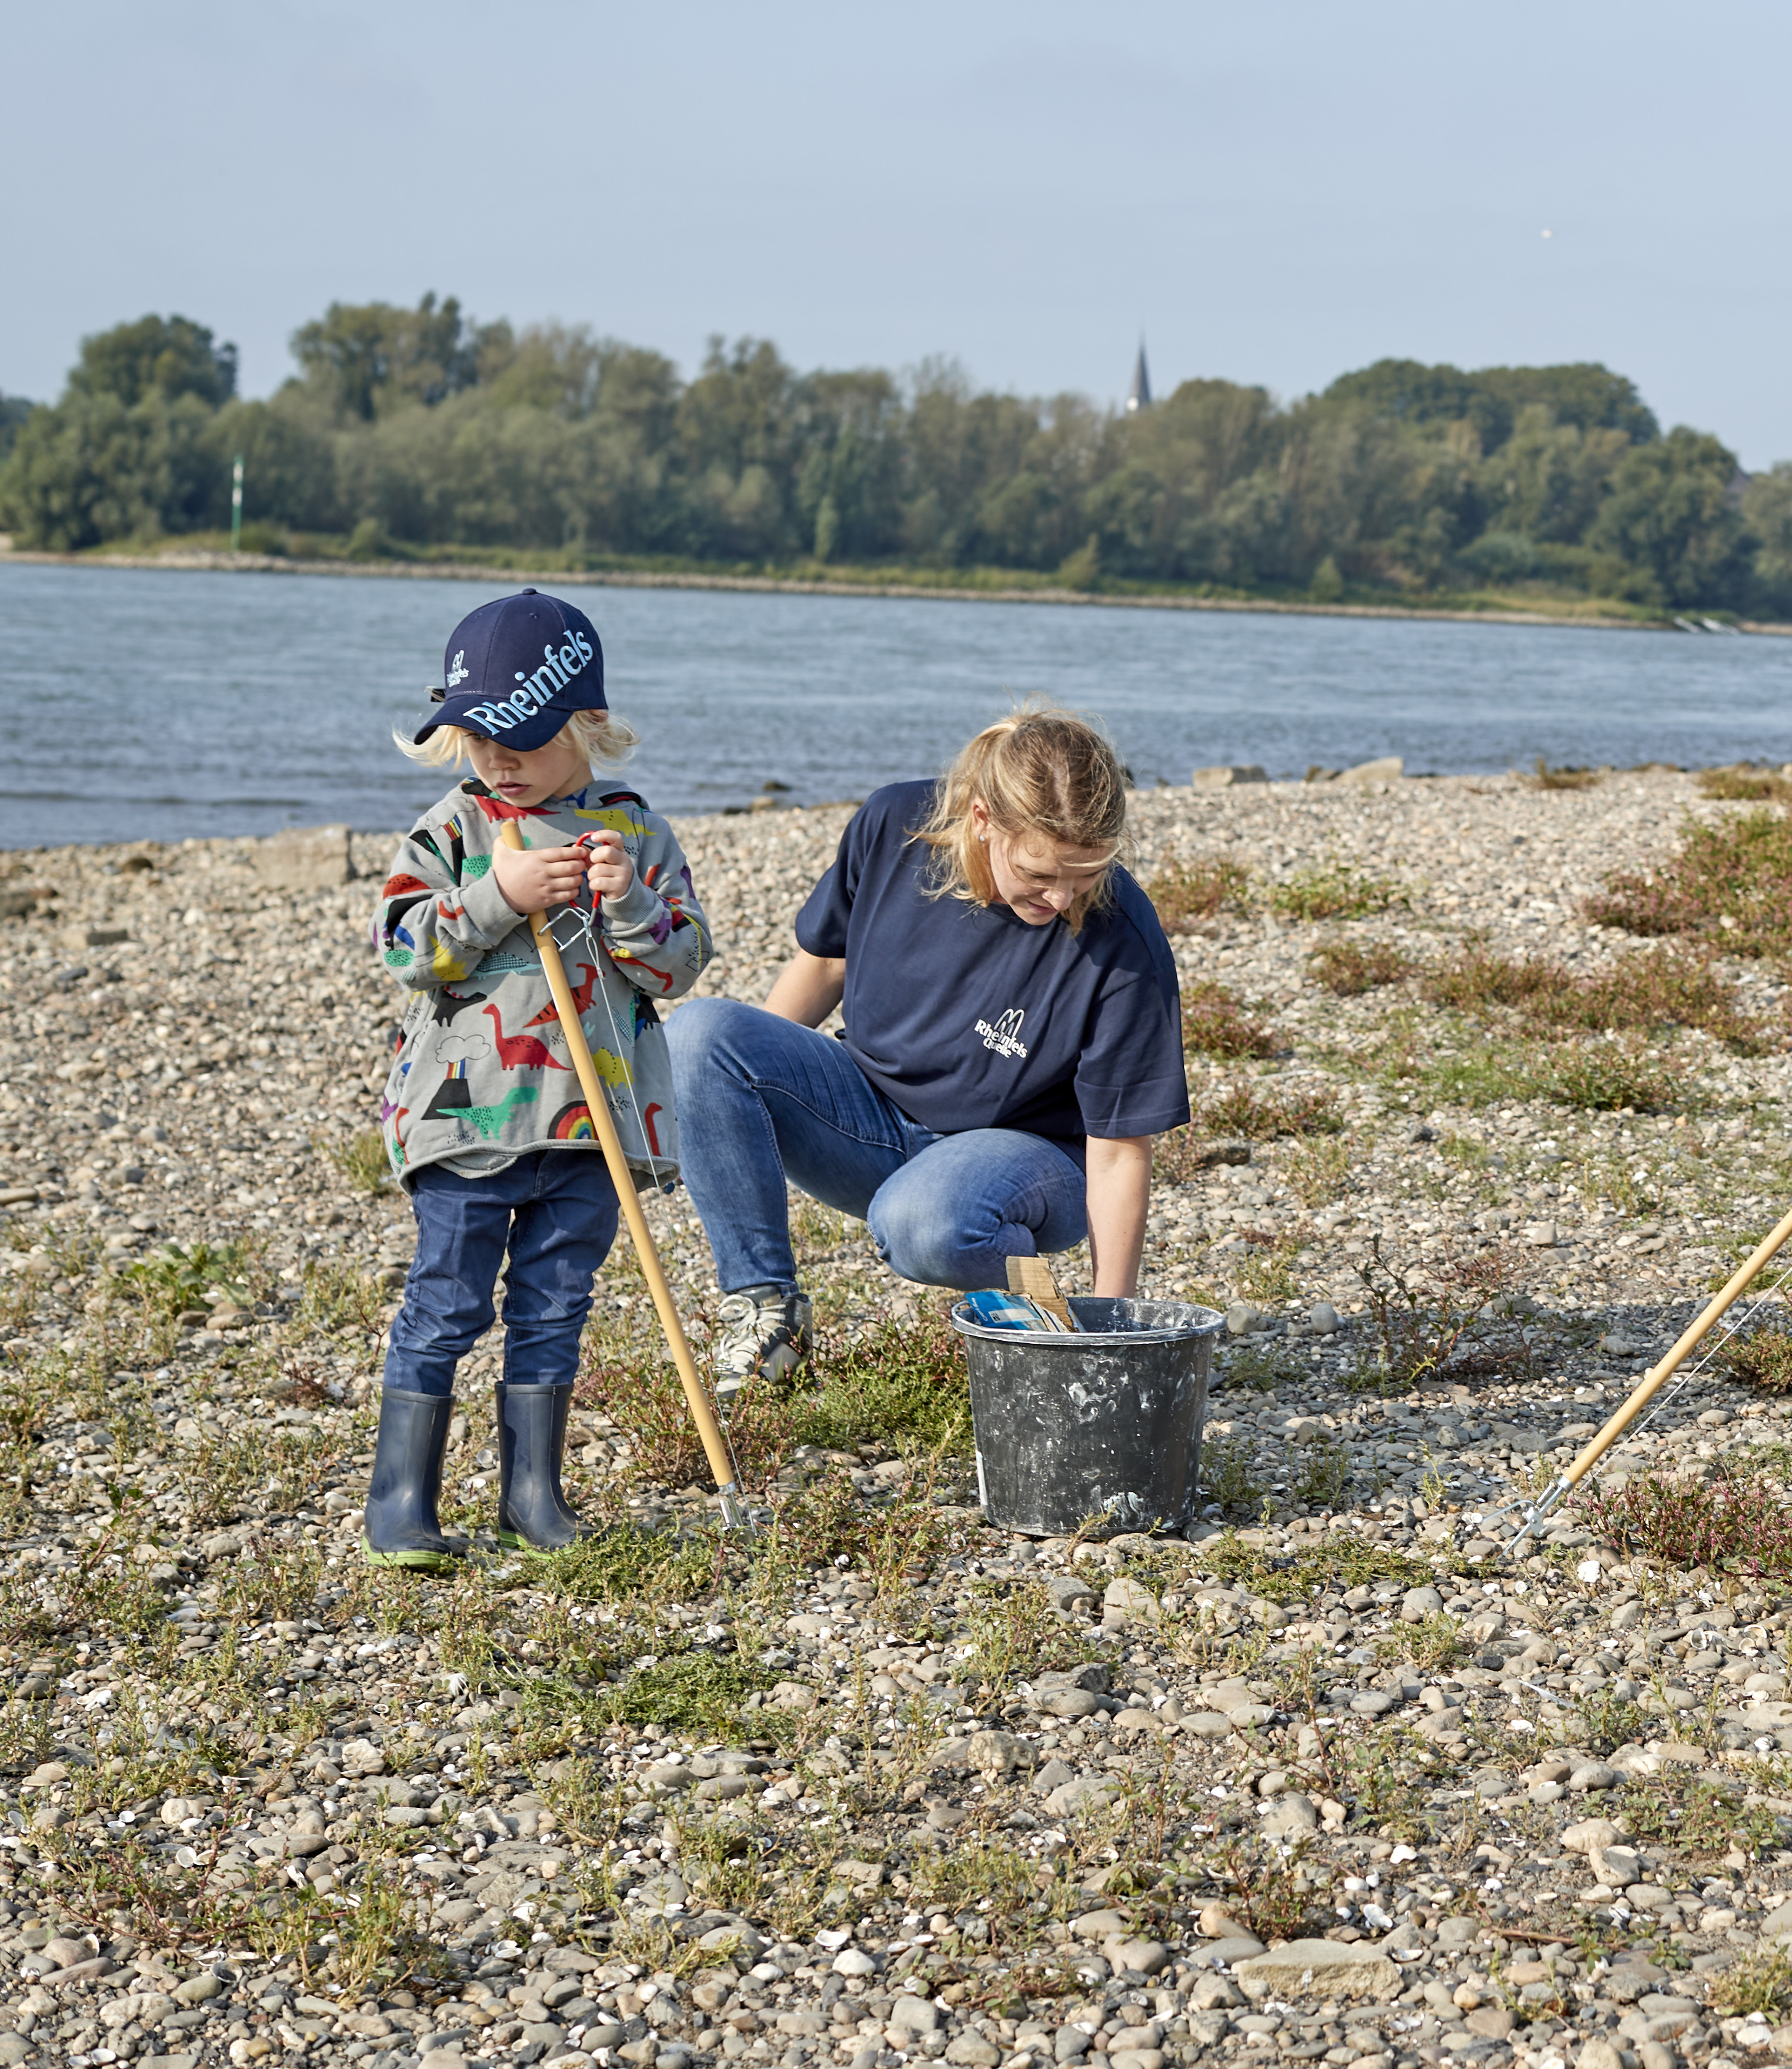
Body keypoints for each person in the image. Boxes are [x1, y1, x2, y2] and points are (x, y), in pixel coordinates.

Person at [665, 703, 1189, 1395]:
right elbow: (822, 966)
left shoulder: (1125, 939)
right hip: (868, 1119)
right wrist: (721, 1109)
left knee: (925, 1222)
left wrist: (1112, 1323)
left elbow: (1121, 1151)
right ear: (982, 821)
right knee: (700, 1035)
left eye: (1086, 874)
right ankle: (769, 1317)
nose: (1063, 897)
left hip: (1029, 1162)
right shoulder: (894, 824)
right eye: (1040, 874)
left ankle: (1046, 1320)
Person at [366, 589, 715, 1568]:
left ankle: (533, 1493)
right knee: (447, 1301)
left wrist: (633, 905)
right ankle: (401, 1501)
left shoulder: (631, 834)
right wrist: (494, 897)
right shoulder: (456, 828)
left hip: (591, 1125)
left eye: (518, 734)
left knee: (556, 1303)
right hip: (468, 1121)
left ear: (588, 720)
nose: (495, 756)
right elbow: (402, 945)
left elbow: (679, 965)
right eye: (475, 735)